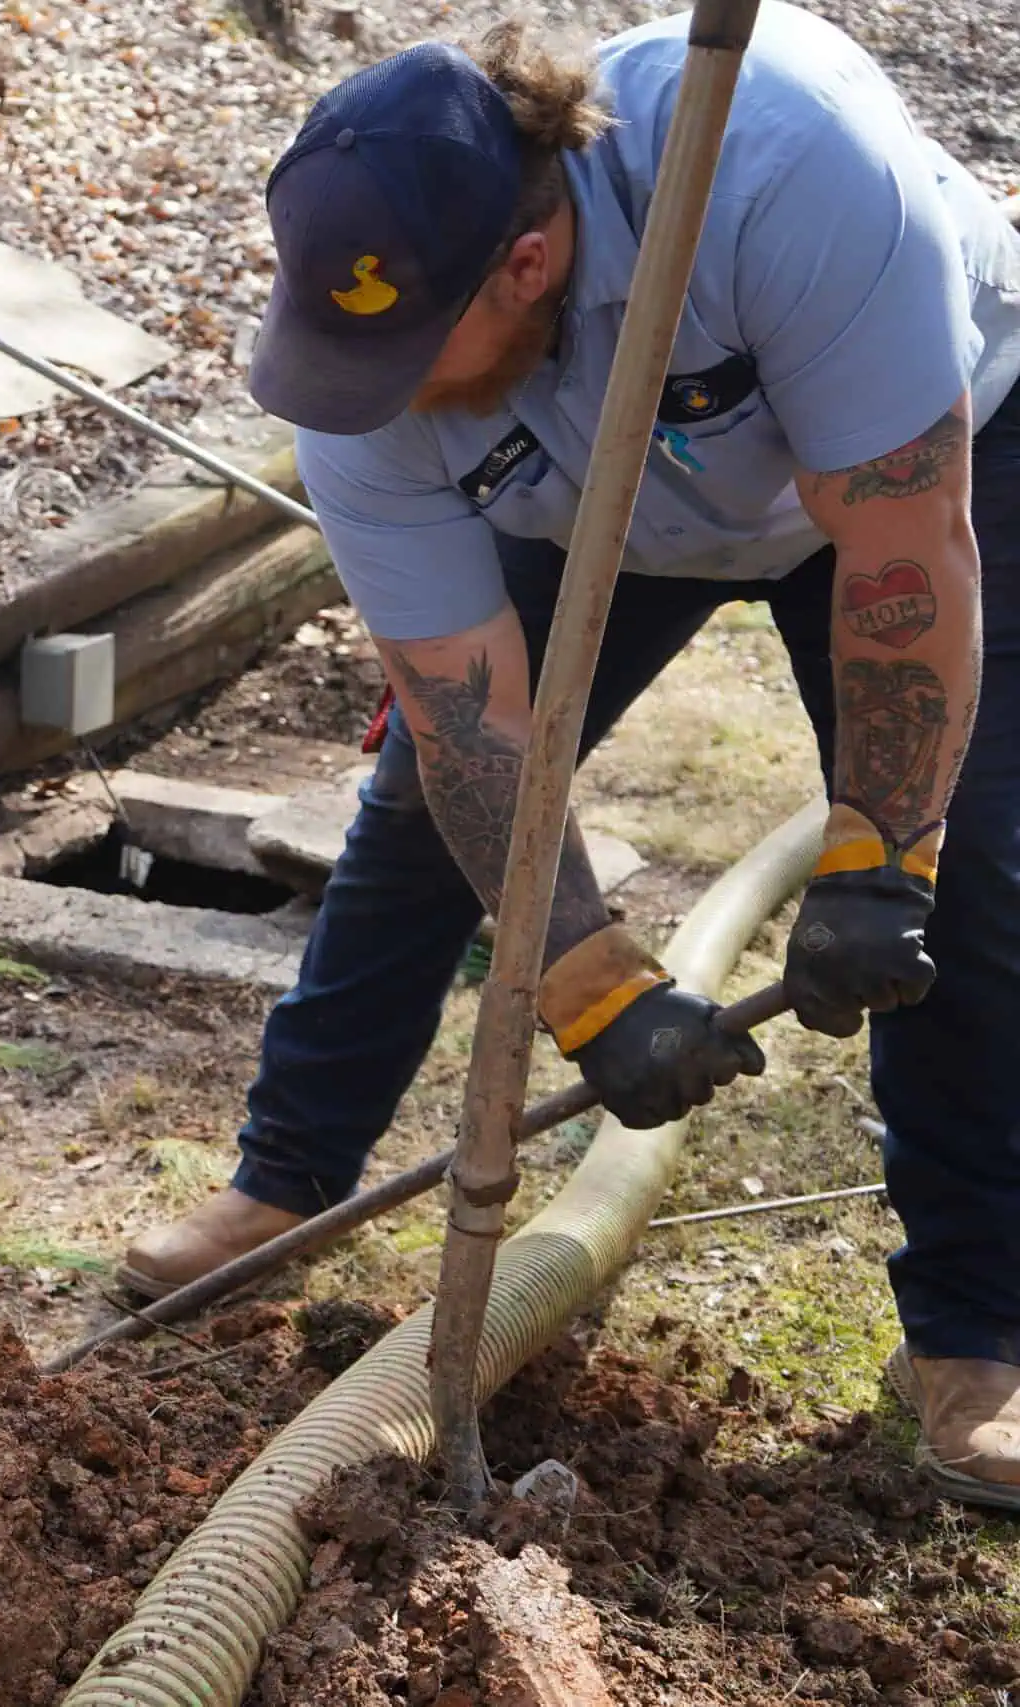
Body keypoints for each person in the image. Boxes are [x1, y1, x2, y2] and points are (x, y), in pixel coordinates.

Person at [117, 4, 1020, 1503]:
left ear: (524, 262)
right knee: (414, 812)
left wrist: (883, 846)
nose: (375, 391)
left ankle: (976, 1331)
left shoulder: (785, 162)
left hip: (913, 458)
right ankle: (282, 1181)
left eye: (410, 350)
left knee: (975, 872)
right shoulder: (367, 378)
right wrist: (590, 980)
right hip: (595, 499)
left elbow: (903, 553)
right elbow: (473, 728)